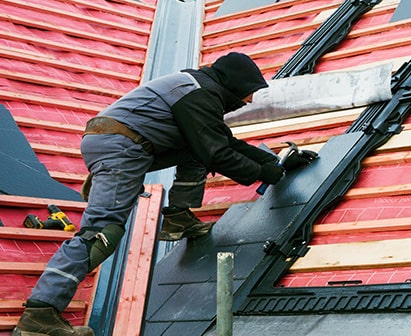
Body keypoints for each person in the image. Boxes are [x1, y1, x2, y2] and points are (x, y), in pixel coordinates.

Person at [13, 52, 315, 336]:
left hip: (125, 141)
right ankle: (41, 313)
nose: (248, 100)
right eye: (248, 92)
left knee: (198, 149)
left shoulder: (196, 87)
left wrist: (275, 163)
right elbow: (218, 153)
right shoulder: (200, 94)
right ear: (233, 83)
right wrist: (266, 175)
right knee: (102, 233)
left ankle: (177, 218)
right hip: (122, 147)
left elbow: (222, 142)